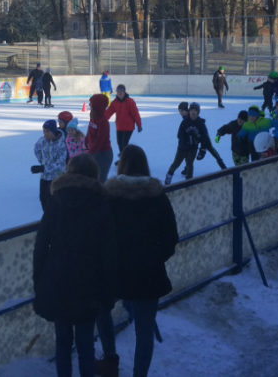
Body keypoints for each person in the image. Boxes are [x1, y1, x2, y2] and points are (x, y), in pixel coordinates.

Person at [33, 154, 117, 377]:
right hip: (89, 284)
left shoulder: (55, 201)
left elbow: (41, 245)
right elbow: (109, 251)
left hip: (58, 281)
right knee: (85, 344)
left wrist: (39, 282)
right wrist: (108, 290)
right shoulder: (102, 203)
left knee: (62, 343)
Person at [99, 144, 179, 377]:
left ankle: (110, 359)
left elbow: (100, 235)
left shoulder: (110, 197)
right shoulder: (157, 197)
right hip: (148, 273)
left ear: (121, 164)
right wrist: (153, 259)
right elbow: (170, 237)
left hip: (115, 272)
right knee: (144, 332)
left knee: (101, 310)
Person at [32, 120, 68, 213]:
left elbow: (60, 164)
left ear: (53, 131)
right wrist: (42, 162)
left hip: (57, 177)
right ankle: (48, 218)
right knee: (43, 199)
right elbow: (37, 149)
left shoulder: (62, 143)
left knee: (56, 201)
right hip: (45, 177)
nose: (45, 134)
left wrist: (44, 168)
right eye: (44, 131)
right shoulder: (43, 140)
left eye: (47, 131)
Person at [164, 102, 203, 184]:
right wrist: (187, 139)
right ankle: (168, 178)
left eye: (195, 111)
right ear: (189, 111)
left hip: (192, 149)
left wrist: (202, 149)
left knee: (189, 164)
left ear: (198, 112)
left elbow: (204, 138)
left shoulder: (200, 124)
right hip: (182, 148)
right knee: (176, 163)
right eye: (192, 110)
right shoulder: (185, 122)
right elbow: (179, 135)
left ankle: (189, 181)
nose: (193, 112)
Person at [104, 84, 142, 159]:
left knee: (124, 143)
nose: (120, 93)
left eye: (121, 91)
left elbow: (135, 114)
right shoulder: (115, 102)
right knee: (119, 143)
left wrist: (139, 125)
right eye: (118, 91)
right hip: (119, 127)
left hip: (129, 127)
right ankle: (124, 158)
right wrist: (102, 120)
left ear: (124, 92)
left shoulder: (130, 102)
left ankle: (125, 158)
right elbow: (108, 112)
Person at [86, 94, 113, 183]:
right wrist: (86, 140)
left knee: (100, 179)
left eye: (91, 103)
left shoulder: (103, 122)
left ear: (97, 105)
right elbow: (90, 130)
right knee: (93, 176)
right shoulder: (93, 117)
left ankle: (103, 195)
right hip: (94, 152)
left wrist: (90, 152)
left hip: (103, 154)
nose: (89, 105)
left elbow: (100, 140)